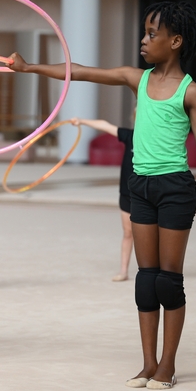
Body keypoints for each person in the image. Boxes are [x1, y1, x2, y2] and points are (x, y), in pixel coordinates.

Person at [8, 1, 196, 390]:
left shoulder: (191, 92)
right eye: (144, 32)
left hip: (175, 189)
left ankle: (167, 365)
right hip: (140, 186)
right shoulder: (136, 79)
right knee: (146, 281)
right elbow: (81, 72)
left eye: (152, 34)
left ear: (176, 41)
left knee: (168, 281)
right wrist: (30, 68)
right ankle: (148, 364)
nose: (143, 40)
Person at [69, 115, 134, 282]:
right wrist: (81, 121)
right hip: (127, 192)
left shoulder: (156, 139)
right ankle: (124, 271)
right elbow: (104, 125)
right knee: (128, 232)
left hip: (147, 194)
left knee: (152, 233)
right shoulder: (130, 136)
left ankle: (159, 270)